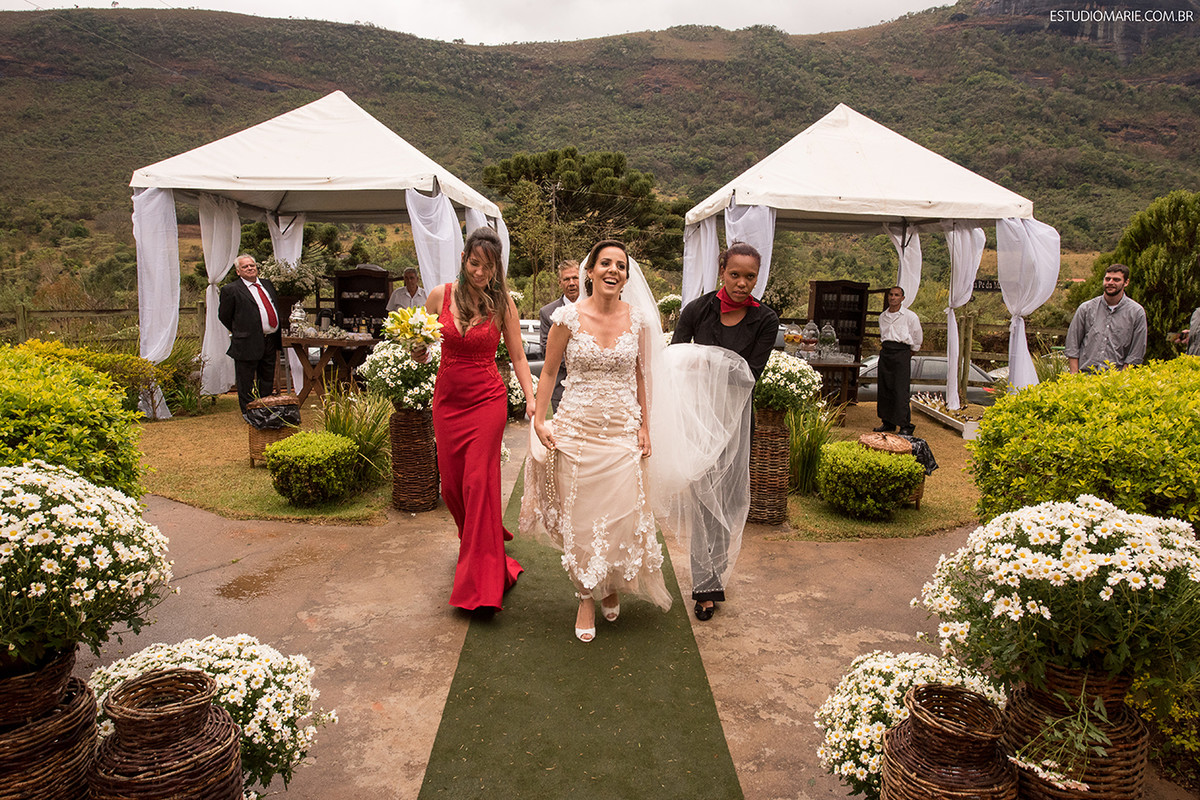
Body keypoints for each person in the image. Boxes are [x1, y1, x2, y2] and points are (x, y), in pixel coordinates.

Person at [520, 240, 673, 642]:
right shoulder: (566, 318)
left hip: (622, 430)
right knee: (582, 519)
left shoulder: (638, 320)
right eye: (605, 263)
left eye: (620, 265)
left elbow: (642, 376)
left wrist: (645, 426)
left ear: (626, 276)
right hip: (577, 430)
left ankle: (610, 583)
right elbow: (549, 372)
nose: (613, 270)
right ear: (590, 272)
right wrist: (541, 420)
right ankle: (586, 594)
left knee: (622, 515)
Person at [414, 227, 535, 612]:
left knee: (478, 484)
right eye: (475, 263)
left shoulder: (503, 304)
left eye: (489, 266)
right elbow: (420, 345)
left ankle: (480, 585)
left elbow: (518, 356)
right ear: (464, 258)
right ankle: (484, 549)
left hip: (487, 400)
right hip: (448, 401)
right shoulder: (440, 295)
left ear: (497, 269)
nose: (481, 272)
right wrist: (417, 350)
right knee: (452, 487)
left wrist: (532, 399)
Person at [671, 242, 778, 621]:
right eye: (735, 274)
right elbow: (675, 358)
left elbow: (750, 373)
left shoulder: (766, 319)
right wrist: (710, 365)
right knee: (703, 502)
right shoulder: (697, 310)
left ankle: (713, 576)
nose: (742, 283)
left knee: (726, 503)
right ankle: (706, 587)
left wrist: (704, 362)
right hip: (697, 420)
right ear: (722, 272)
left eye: (750, 276)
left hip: (735, 422)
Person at [218, 254, 282, 417]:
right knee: (245, 380)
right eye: (245, 266)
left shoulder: (266, 284)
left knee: (267, 378)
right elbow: (224, 316)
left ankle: (266, 410)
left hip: (270, 339)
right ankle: (249, 414)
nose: (249, 268)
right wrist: (242, 330)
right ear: (238, 271)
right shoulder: (231, 290)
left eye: (252, 265)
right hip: (247, 341)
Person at [1065, 264, 1147, 373]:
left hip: (1115, 378)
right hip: (1085, 377)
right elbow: (1072, 345)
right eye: (1107, 279)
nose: (1110, 282)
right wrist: (1074, 377)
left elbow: (1136, 353)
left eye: (1116, 280)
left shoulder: (1136, 313)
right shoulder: (1086, 309)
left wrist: (1122, 379)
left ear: (1126, 282)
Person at [874, 286, 923, 436]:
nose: (893, 297)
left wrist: (911, 351)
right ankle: (888, 422)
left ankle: (904, 424)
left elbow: (917, 336)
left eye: (896, 295)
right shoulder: (883, 316)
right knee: (885, 388)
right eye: (891, 294)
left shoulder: (910, 316)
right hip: (886, 352)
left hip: (901, 352)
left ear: (902, 298)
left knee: (900, 389)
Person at [537, 260, 581, 411]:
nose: (572, 283)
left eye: (575, 278)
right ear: (560, 283)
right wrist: (580, 361)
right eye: (566, 279)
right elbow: (545, 349)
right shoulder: (547, 313)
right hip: (562, 389)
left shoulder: (596, 308)